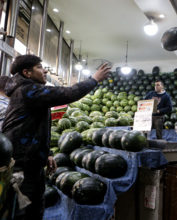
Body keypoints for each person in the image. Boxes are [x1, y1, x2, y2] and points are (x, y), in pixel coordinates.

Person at [2, 54, 111, 220]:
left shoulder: (29, 91)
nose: (45, 70)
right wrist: (94, 79)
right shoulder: (28, 90)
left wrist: (48, 153)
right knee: (22, 214)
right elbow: (68, 93)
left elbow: (35, 128)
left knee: (35, 211)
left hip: (32, 165)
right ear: (27, 73)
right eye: (39, 67)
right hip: (22, 168)